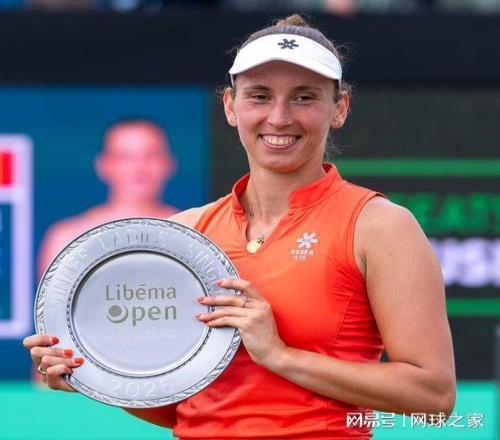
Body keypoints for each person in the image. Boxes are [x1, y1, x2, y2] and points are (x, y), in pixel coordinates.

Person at [24, 15, 455, 439]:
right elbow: (185, 409)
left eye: (304, 97)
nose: (279, 117)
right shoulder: (187, 232)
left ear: (339, 107)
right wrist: (93, 373)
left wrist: (280, 356)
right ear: (231, 106)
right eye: (260, 96)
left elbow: (434, 396)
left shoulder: (379, 225)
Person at [37, 118, 178, 278]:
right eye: (124, 157)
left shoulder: (194, 230)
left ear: (169, 163)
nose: (138, 168)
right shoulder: (67, 239)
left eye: (150, 156)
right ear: (103, 165)